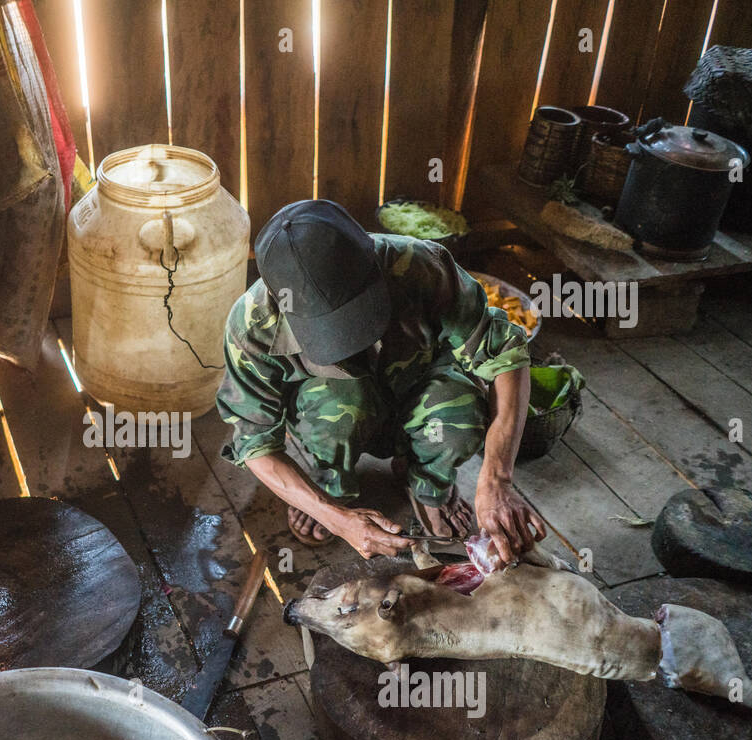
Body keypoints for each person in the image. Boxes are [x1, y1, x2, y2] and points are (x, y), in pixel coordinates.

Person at [216, 199, 546, 564]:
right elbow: (255, 441)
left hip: (418, 386)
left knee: (460, 414)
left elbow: (505, 355)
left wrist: (497, 479)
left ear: (373, 258)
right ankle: (330, 490)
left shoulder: (421, 265)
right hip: (331, 417)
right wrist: (335, 517)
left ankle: (426, 482)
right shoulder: (251, 324)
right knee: (337, 411)